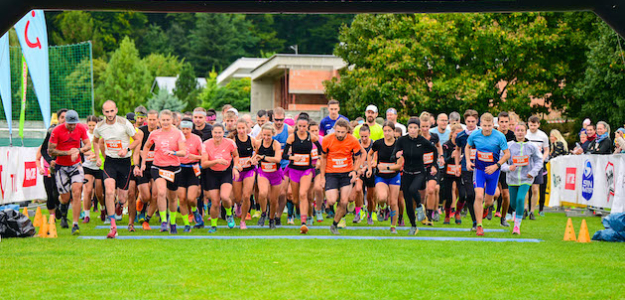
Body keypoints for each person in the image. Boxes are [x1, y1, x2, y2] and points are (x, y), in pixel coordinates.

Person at [93, 101, 142, 237]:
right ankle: (113, 227)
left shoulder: (124, 123)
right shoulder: (100, 126)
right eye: (107, 112)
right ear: (103, 112)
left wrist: (126, 149)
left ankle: (120, 205)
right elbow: (96, 141)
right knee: (109, 191)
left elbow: (137, 140)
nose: (109, 114)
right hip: (110, 162)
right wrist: (98, 157)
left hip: (125, 162)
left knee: (122, 197)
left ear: (116, 110)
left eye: (112, 111)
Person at [141, 110, 186, 234]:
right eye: (163, 120)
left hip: (174, 168)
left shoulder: (178, 133)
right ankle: (164, 221)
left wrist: (174, 152)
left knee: (172, 198)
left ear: (172, 120)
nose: (165, 122)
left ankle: (172, 222)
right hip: (158, 167)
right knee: (161, 192)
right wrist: (143, 163)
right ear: (159, 120)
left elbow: (184, 152)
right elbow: (146, 147)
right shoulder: (155, 133)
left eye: (168, 120)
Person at [466, 113, 510, 236]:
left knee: (489, 201)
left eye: (489, 126)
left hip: (493, 171)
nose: (487, 128)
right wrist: (469, 161)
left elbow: (507, 154)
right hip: (479, 170)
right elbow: (467, 146)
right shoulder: (475, 135)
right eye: (484, 125)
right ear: (480, 125)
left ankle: (486, 208)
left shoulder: (500, 136)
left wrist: (496, 165)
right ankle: (479, 225)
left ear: (493, 125)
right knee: (478, 196)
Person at [48, 110, 91, 235]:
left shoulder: (81, 128)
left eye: (74, 124)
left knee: (77, 192)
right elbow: (51, 150)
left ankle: (75, 224)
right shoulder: (57, 130)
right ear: (65, 121)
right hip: (61, 167)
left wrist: (78, 150)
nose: (72, 126)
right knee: (65, 197)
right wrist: (67, 152)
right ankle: (62, 207)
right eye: (70, 124)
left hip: (76, 165)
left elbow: (88, 145)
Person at [392, 117, 438, 235]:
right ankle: (413, 226)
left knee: (413, 190)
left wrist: (433, 165)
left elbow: (435, 150)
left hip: (420, 173)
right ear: (408, 128)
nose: (412, 130)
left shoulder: (422, 141)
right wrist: (396, 155)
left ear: (418, 129)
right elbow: (394, 154)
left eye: (415, 128)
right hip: (407, 173)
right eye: (410, 127)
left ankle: (419, 206)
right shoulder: (402, 140)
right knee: (407, 201)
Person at [320, 119, 365, 235]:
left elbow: (357, 158)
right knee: (331, 200)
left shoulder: (353, 141)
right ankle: (337, 199)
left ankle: (334, 225)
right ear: (334, 130)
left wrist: (355, 171)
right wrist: (322, 176)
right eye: (338, 132)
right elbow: (323, 158)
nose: (340, 135)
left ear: (347, 131)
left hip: (346, 173)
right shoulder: (327, 140)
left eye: (342, 132)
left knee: (344, 201)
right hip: (331, 173)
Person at [500, 123, 543, 235]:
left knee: (520, 199)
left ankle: (516, 226)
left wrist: (533, 172)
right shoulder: (508, 146)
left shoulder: (531, 146)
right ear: (514, 132)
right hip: (512, 179)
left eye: (522, 130)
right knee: (513, 204)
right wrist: (509, 168)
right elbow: (501, 161)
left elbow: (539, 160)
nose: (520, 132)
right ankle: (517, 213)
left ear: (525, 132)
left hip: (526, 179)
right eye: (518, 130)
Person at [283, 115, 322, 233]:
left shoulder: (311, 137)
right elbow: (284, 155)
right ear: (296, 126)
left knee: (303, 194)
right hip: (294, 169)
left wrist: (319, 159)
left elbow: (320, 149)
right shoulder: (292, 137)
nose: (302, 128)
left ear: (307, 127)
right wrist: (293, 157)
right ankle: (298, 210)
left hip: (307, 170)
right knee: (295, 199)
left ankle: (304, 223)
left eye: (304, 126)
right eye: (299, 126)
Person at [201, 124, 240, 233]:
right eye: (215, 132)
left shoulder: (230, 143)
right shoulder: (206, 144)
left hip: (225, 173)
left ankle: (229, 214)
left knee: (225, 197)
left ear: (223, 133)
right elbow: (204, 164)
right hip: (211, 173)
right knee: (215, 202)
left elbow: (236, 156)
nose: (217, 135)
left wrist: (235, 167)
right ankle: (213, 225)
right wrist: (216, 161)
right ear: (212, 133)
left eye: (220, 132)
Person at [368, 121, 402, 233]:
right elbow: (369, 154)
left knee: (393, 202)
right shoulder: (378, 143)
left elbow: (399, 166)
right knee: (382, 197)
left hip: (394, 176)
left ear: (394, 131)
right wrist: (369, 168)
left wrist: (387, 168)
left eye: (389, 131)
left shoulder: (399, 145)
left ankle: (393, 226)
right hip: (380, 176)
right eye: (385, 131)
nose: (387, 133)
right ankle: (382, 208)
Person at [252, 123, 283, 229]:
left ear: (273, 134)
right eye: (264, 135)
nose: (266, 138)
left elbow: (278, 159)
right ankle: (263, 213)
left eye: (268, 135)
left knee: (274, 200)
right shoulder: (258, 143)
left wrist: (263, 157)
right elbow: (255, 154)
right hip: (263, 172)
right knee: (263, 193)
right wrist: (252, 160)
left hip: (275, 173)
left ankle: (271, 219)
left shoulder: (276, 144)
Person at [454, 109, 480, 229]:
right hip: (466, 167)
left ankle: (483, 210)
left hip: (481, 167)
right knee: (469, 194)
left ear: (477, 121)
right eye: (468, 121)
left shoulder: (481, 133)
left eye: (473, 121)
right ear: (465, 121)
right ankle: (475, 221)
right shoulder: (461, 136)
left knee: (479, 194)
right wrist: (457, 166)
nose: (470, 124)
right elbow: (458, 149)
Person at [134, 110, 159, 230]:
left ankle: (146, 219)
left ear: (157, 120)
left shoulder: (161, 132)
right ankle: (141, 200)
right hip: (143, 167)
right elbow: (136, 151)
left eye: (154, 119)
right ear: (146, 120)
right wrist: (137, 165)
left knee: (155, 195)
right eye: (150, 119)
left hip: (157, 167)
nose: (152, 122)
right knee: (146, 196)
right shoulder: (141, 132)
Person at [177, 117, 203, 233]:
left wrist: (195, 157)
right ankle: (187, 224)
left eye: (187, 129)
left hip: (193, 169)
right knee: (182, 199)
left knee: (191, 198)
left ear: (191, 129)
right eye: (183, 128)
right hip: (180, 169)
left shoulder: (197, 139)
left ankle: (195, 211)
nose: (185, 131)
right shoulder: (177, 139)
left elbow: (204, 156)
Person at [231, 118, 256, 230]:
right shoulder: (233, 140)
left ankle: (243, 221)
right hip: (237, 171)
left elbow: (258, 152)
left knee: (246, 195)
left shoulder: (252, 140)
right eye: (239, 128)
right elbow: (228, 155)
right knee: (237, 197)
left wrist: (254, 159)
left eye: (243, 128)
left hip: (249, 170)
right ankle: (238, 205)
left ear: (247, 128)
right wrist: (235, 166)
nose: (241, 131)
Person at [272, 107, 294, 225]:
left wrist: (291, 150)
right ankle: (270, 213)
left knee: (282, 193)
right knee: (271, 194)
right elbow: (257, 142)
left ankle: (278, 216)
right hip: (270, 166)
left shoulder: (289, 130)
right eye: (276, 120)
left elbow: (295, 144)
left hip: (284, 165)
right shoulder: (268, 129)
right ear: (272, 118)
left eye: (281, 120)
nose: (279, 122)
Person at [419, 114, 442, 225]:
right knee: (422, 194)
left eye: (426, 126)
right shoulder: (415, 137)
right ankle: (420, 212)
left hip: (432, 167)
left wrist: (441, 157)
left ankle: (429, 216)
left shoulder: (434, 136)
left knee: (431, 190)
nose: (424, 129)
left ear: (430, 126)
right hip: (419, 168)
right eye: (422, 126)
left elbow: (438, 146)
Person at [525, 116, 549, 220]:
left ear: (538, 125)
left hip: (537, 165)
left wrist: (542, 159)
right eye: (531, 125)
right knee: (525, 187)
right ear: (528, 124)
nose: (533, 127)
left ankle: (532, 211)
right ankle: (524, 209)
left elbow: (547, 149)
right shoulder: (525, 134)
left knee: (535, 189)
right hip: (526, 164)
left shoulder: (543, 135)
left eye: (535, 125)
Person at [351, 125, 375, 225]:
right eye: (362, 137)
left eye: (366, 136)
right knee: (358, 189)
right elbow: (352, 159)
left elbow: (375, 161)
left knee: (370, 197)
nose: (364, 139)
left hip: (370, 172)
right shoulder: (356, 144)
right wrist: (357, 169)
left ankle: (369, 215)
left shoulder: (374, 144)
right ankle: (358, 213)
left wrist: (366, 167)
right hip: (359, 172)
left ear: (369, 134)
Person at [81, 115, 104, 224]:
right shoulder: (85, 136)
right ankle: (86, 215)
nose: (91, 127)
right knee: (88, 190)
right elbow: (83, 150)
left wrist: (95, 154)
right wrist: (87, 152)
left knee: (99, 193)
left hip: (99, 166)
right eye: (89, 125)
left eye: (93, 125)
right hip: (87, 166)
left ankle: (103, 209)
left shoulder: (101, 135)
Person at [494, 111, 515, 225]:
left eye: (506, 122)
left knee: (506, 195)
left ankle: (503, 218)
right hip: (493, 167)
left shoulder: (512, 135)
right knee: (495, 193)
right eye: (501, 122)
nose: (504, 124)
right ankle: (487, 208)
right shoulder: (492, 134)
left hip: (505, 168)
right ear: (498, 123)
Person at [441, 124, 463, 224]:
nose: (458, 136)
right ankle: (447, 215)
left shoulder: (465, 144)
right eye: (456, 133)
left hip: (461, 172)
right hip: (448, 173)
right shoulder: (446, 145)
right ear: (452, 134)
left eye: (460, 133)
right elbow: (443, 160)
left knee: (463, 195)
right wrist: (451, 156)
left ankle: (457, 212)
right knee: (448, 197)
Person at [308, 121, 325, 223]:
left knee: (318, 188)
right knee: (309, 194)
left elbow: (325, 154)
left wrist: (320, 160)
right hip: (308, 169)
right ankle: (310, 215)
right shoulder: (306, 141)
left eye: (316, 130)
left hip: (319, 169)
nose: (314, 133)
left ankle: (318, 209)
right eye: (312, 131)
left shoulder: (322, 140)